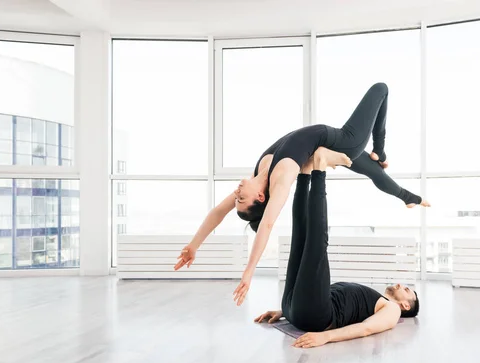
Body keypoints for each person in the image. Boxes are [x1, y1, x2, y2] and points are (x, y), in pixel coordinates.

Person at [175, 83, 429, 305]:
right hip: (343, 141)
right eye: (241, 198)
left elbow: (218, 212)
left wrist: (193, 245)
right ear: (261, 198)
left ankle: (408, 197)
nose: (236, 193)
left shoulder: (257, 177)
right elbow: (267, 225)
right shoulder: (281, 178)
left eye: (237, 198)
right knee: (380, 89)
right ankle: (379, 152)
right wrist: (249, 272)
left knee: (376, 173)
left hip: (324, 146)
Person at [254, 153, 419, 348]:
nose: (401, 284)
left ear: (406, 305)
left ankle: (319, 169)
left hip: (315, 317)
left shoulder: (393, 310)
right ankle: (305, 173)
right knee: (300, 236)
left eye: (407, 290)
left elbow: (365, 329)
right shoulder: (377, 300)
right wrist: (285, 313)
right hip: (295, 307)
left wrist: (326, 337)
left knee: (317, 239)